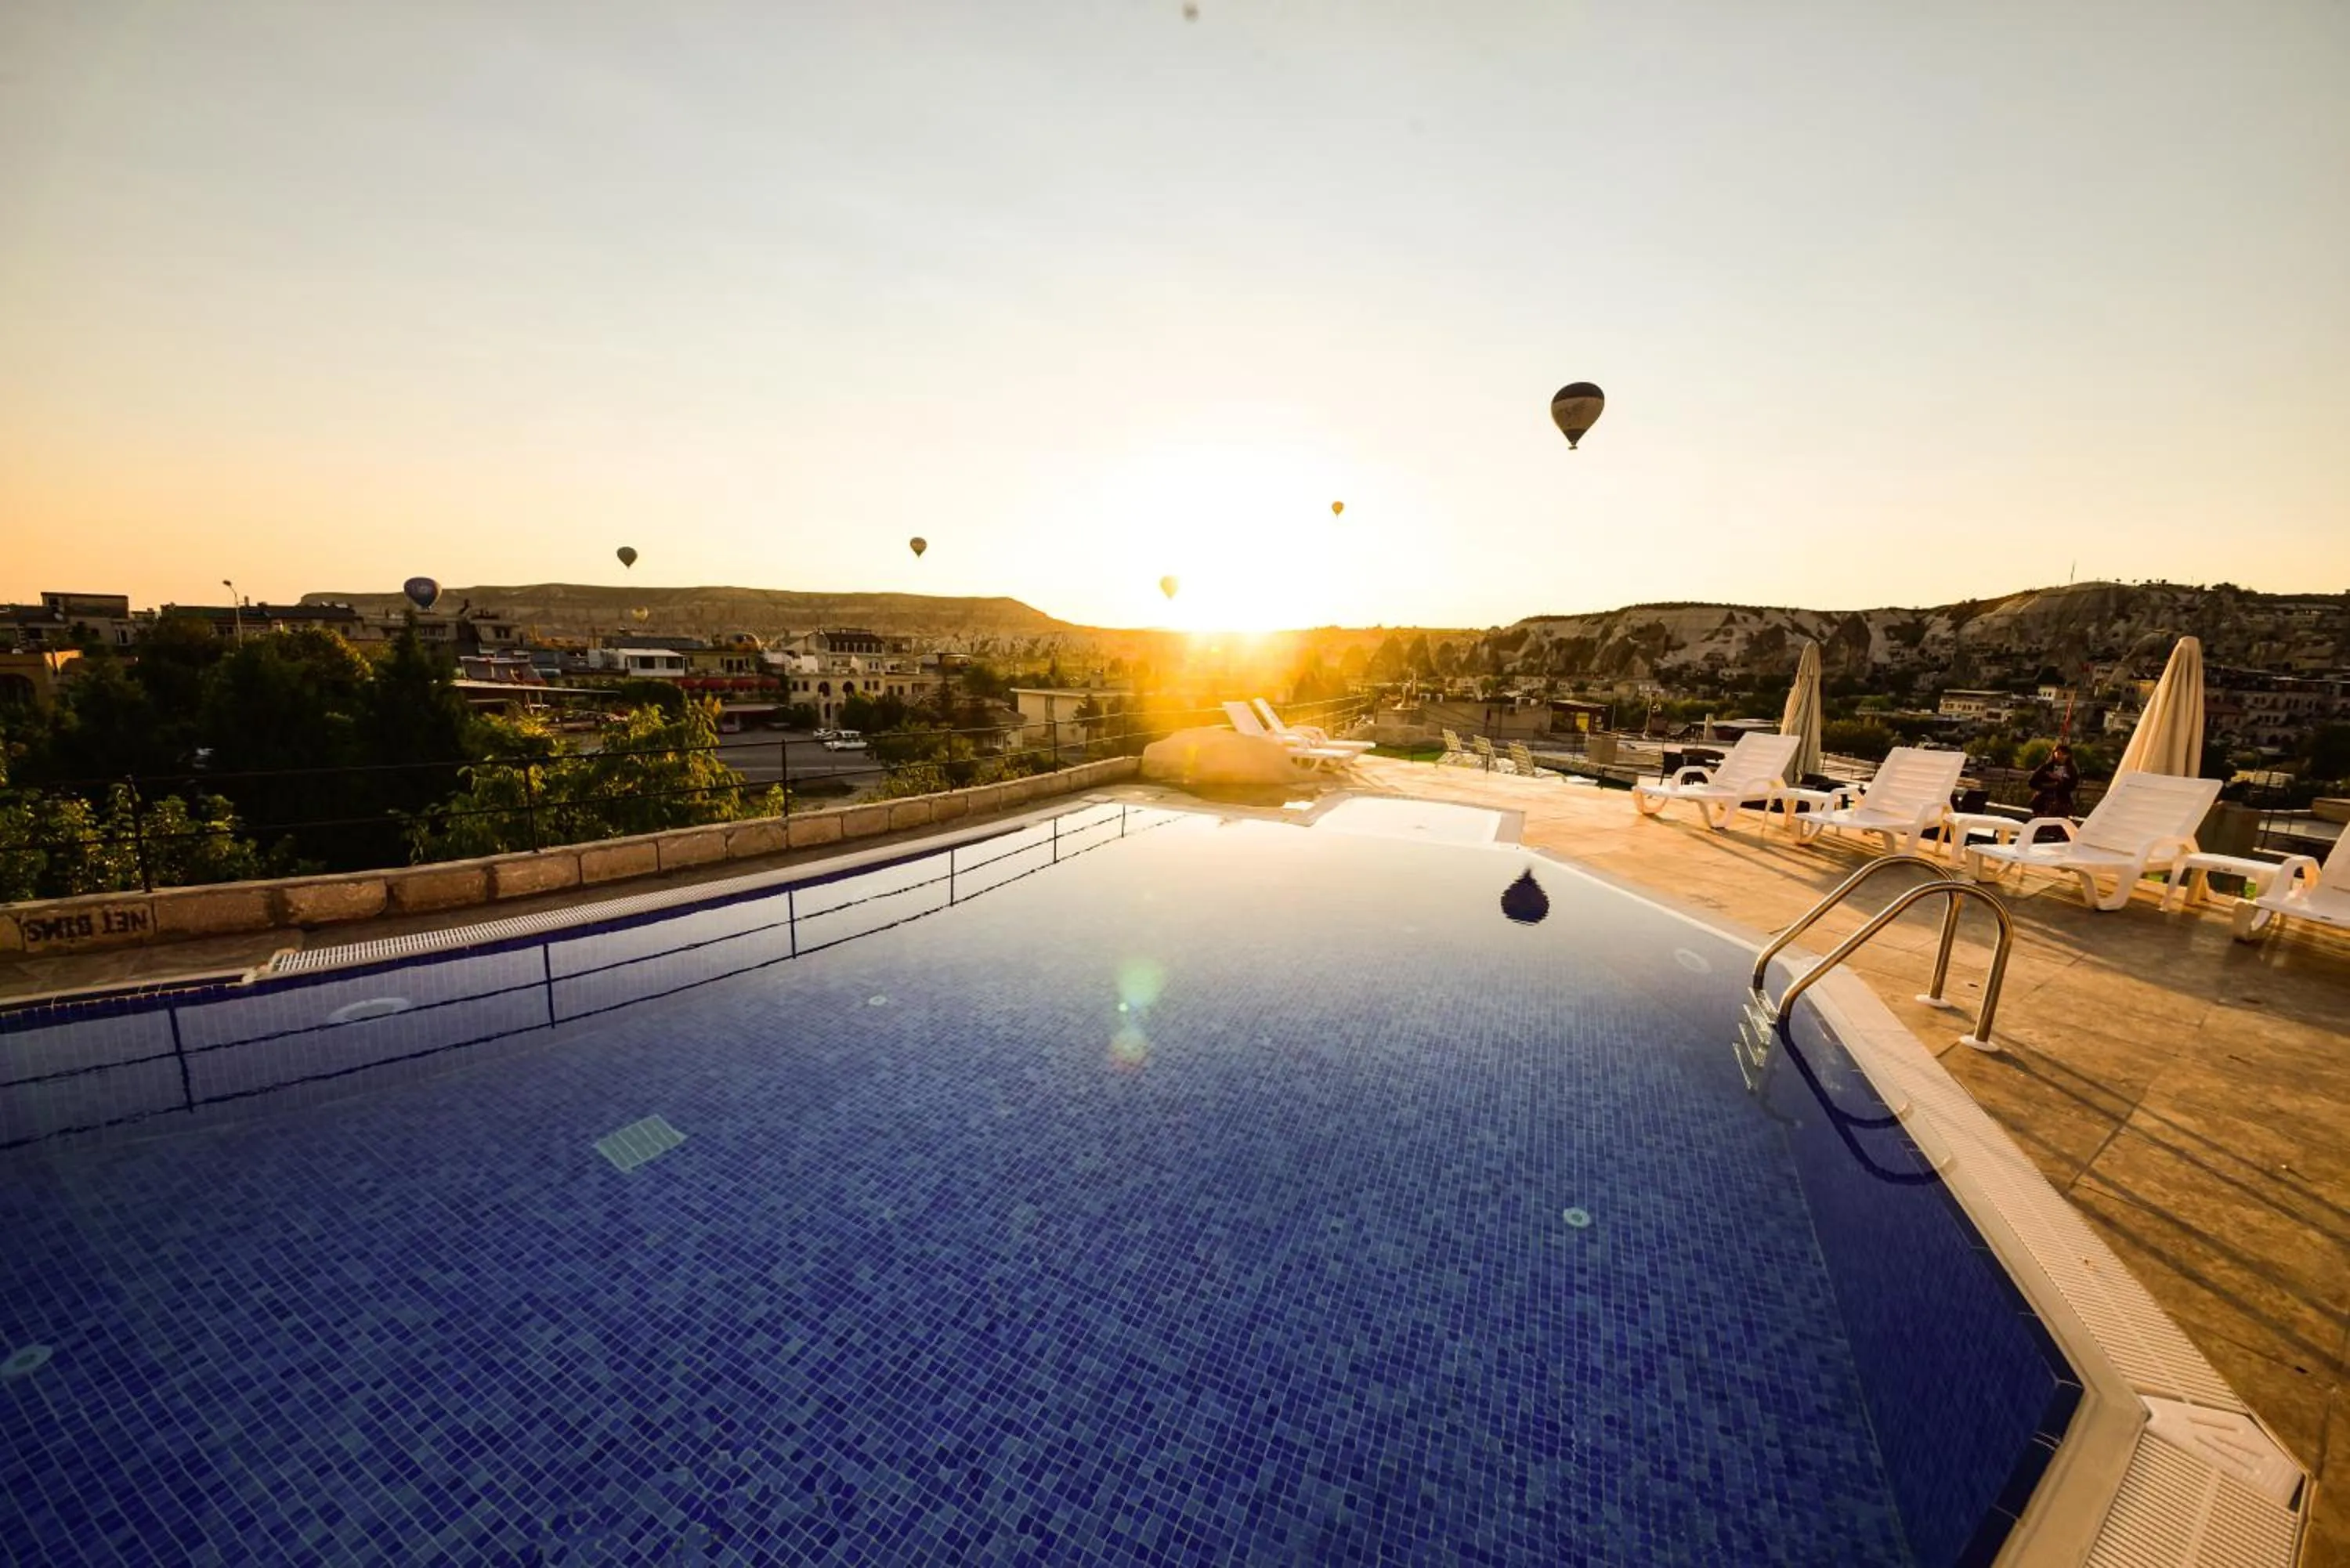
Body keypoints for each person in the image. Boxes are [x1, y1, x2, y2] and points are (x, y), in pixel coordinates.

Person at [2028, 742, 2081, 827]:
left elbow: (2072, 786)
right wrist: (2046, 785)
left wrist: (2060, 780)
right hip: (2043, 800)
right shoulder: (2046, 767)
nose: (2061, 756)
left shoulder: (2071, 770)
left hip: (2062, 802)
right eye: (2059, 753)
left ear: (2068, 756)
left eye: (2064, 754)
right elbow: (2032, 782)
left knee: (2058, 825)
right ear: (2054, 753)